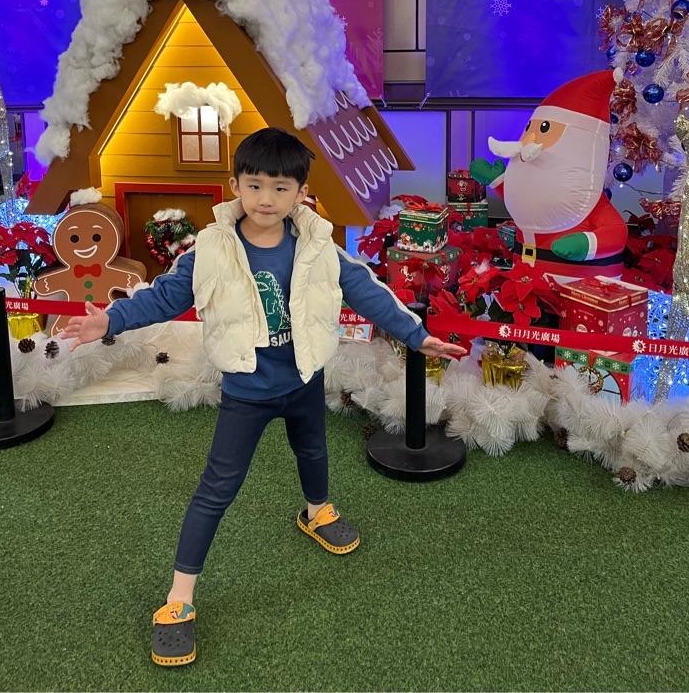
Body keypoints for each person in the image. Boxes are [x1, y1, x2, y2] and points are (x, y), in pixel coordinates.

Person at [63, 127, 462, 668]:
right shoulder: (211, 248)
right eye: (254, 185)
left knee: (313, 451)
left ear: (301, 191)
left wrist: (416, 334)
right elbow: (164, 296)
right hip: (246, 391)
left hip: (303, 379)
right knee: (216, 488)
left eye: (280, 187)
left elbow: (366, 290)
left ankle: (316, 511)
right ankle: (179, 599)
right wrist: (109, 320)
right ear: (235, 186)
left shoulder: (318, 245)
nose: (266, 199)